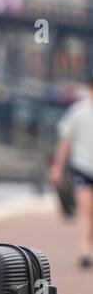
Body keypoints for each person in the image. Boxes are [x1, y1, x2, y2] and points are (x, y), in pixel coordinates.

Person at [50, 79, 93, 267]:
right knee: (85, 209)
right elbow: (65, 140)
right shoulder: (77, 111)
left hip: (82, 165)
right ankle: (84, 249)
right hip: (82, 166)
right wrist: (57, 167)